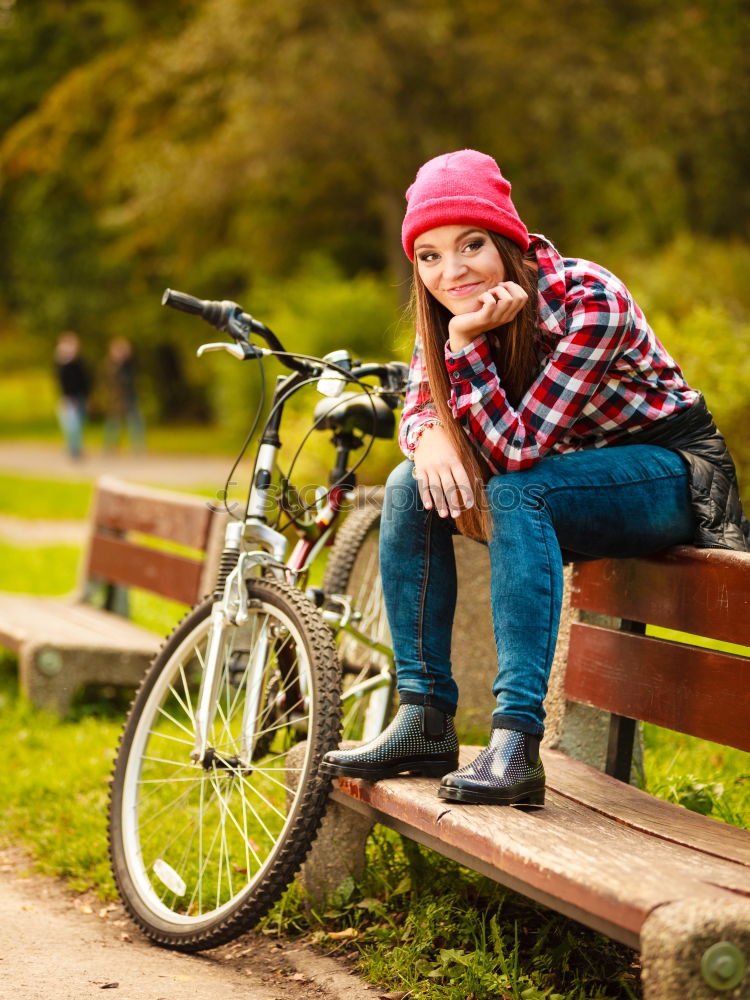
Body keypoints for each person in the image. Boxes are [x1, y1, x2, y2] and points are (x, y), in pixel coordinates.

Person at [321, 149, 748, 807]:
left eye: (470, 245)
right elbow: (417, 405)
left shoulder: (588, 299)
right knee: (409, 485)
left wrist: (464, 351)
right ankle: (424, 718)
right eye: (429, 256)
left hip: (669, 475)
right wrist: (428, 435)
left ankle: (515, 741)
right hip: (564, 477)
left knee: (519, 488)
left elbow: (517, 450)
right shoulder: (446, 309)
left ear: (508, 241)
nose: (451, 270)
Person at [102, 337, 145, 452]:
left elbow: (134, 380)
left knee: (136, 423)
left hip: (131, 397)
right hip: (117, 399)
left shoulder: (130, 364)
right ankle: (110, 447)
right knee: (114, 424)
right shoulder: (110, 365)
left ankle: (138, 447)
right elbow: (111, 382)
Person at [53, 331, 91, 460]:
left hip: (80, 397)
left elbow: (85, 380)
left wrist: (87, 396)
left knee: (80, 424)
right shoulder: (61, 363)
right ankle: (74, 450)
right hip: (69, 398)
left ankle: (77, 448)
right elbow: (61, 382)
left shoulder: (79, 361)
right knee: (72, 425)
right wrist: (66, 397)